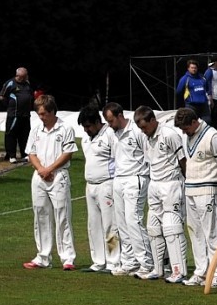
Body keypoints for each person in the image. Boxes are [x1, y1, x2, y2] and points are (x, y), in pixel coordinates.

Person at [134, 105, 190, 283]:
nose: (143, 131)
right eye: (140, 128)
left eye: (144, 127)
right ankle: (158, 269)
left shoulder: (170, 135)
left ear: (152, 120)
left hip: (171, 184)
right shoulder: (145, 138)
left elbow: (182, 160)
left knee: (172, 228)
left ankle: (179, 270)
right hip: (154, 184)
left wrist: (186, 181)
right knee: (153, 227)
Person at [23, 94, 78, 270]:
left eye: (44, 114)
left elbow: (68, 153)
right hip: (39, 176)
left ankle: (68, 258)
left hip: (58, 175)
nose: (41, 117)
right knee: (40, 215)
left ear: (52, 111)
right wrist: (41, 169)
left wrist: (50, 169)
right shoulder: (36, 130)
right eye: (39, 114)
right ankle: (43, 257)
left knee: (62, 216)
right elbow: (31, 153)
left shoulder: (65, 128)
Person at [174, 107, 217, 288]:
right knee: (195, 233)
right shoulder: (186, 136)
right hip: (191, 189)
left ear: (195, 122)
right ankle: (201, 270)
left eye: (185, 128)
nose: (183, 131)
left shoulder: (213, 136)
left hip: (208, 189)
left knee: (212, 233)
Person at [103, 102, 154, 278]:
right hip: (118, 179)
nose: (109, 124)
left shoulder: (136, 131)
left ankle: (146, 263)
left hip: (136, 178)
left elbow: (148, 155)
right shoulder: (111, 133)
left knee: (134, 221)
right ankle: (129, 261)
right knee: (121, 223)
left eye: (111, 120)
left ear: (119, 115)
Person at [78, 107, 119, 273]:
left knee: (110, 225)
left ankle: (113, 261)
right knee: (93, 225)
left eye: (88, 126)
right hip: (90, 185)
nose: (87, 130)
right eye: (84, 127)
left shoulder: (110, 134)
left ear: (97, 122)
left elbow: (118, 158)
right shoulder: (86, 139)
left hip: (106, 184)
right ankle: (98, 261)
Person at [0, 67, 34, 163]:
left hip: (26, 114)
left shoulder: (27, 83)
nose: (26, 78)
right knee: (11, 134)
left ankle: (24, 154)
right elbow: (2, 96)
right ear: (18, 76)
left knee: (25, 135)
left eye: (26, 76)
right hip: (14, 115)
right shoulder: (10, 83)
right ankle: (11, 155)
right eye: (24, 76)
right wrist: (9, 105)